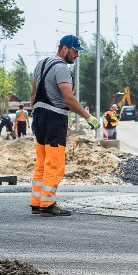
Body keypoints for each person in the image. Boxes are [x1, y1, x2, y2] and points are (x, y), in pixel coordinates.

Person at [29, 35, 100, 217]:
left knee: (42, 162)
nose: (77, 55)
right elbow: (68, 98)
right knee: (54, 162)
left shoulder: (41, 63)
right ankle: (48, 203)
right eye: (76, 51)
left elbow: (33, 93)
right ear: (65, 49)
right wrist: (88, 117)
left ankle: (37, 202)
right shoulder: (61, 68)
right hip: (54, 118)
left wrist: (35, 114)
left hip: (38, 116)